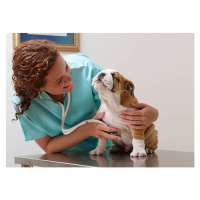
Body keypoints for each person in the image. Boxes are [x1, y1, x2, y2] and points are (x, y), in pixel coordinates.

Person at [12, 39, 159, 154]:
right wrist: (86, 130)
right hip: (63, 158)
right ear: (38, 87)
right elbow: (48, 146)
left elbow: (125, 104)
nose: (69, 79)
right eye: (58, 81)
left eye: (66, 67)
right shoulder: (24, 102)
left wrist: (152, 114)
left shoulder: (86, 69)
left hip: (108, 152)